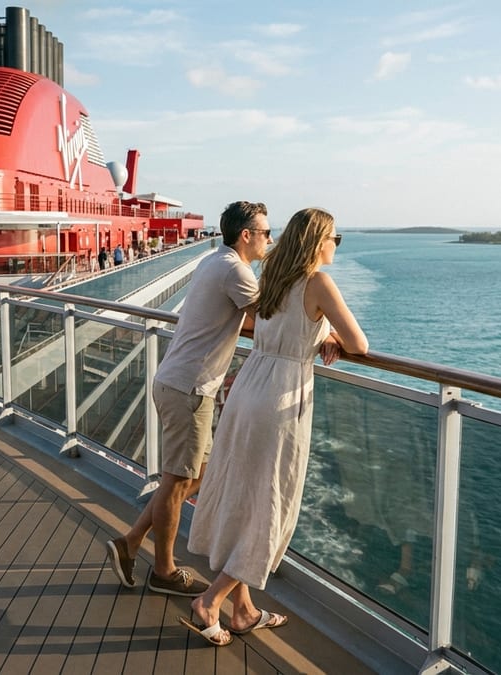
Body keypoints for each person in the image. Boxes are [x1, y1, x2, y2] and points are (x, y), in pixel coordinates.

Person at [182, 207, 369, 646]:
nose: (336, 247)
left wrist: (317, 334)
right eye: (335, 240)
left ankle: (242, 611)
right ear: (318, 242)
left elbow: (283, 325)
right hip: (281, 397)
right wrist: (333, 338)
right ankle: (211, 601)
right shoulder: (319, 282)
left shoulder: (272, 280)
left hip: (249, 386)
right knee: (269, 502)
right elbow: (359, 344)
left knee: (243, 494)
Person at [105, 201, 271, 597]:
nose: (270, 238)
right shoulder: (237, 271)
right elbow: (273, 318)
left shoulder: (214, 260)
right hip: (190, 389)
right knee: (177, 482)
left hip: (181, 384)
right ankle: (163, 571)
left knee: (193, 476)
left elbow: (244, 317)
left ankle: (130, 543)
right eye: (265, 232)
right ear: (245, 235)